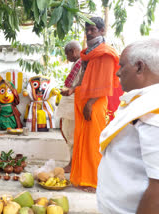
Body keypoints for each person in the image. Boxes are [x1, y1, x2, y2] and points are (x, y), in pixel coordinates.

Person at [97, 39, 159, 214]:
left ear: (139, 67)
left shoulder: (153, 110)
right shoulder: (144, 101)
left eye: (121, 66)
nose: (117, 73)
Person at [61, 17, 120, 192]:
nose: (88, 33)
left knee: (94, 144)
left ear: (102, 31)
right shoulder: (88, 53)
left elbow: (107, 84)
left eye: (92, 30)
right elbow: (85, 79)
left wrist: (90, 104)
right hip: (84, 101)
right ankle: (83, 178)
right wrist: (72, 90)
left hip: (95, 103)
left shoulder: (106, 53)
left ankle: (95, 182)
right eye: (86, 29)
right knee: (82, 142)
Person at [56, 41, 82, 173]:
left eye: (67, 54)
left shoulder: (82, 63)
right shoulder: (78, 63)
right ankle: (73, 164)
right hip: (72, 105)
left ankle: (72, 165)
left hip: (74, 105)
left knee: (71, 136)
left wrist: (70, 90)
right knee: (70, 135)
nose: (67, 58)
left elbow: (78, 85)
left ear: (73, 51)